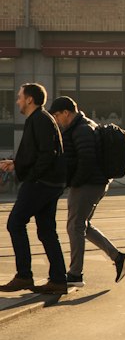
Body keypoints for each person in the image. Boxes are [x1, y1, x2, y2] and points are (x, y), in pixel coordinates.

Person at [48, 96, 125, 287]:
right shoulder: (82, 126)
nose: (56, 120)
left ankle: (76, 274)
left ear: (66, 113)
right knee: (83, 226)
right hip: (94, 182)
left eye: (56, 116)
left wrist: (73, 183)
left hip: (88, 184)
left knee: (75, 226)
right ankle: (119, 257)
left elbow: (86, 161)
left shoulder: (82, 130)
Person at [0, 82, 68, 295]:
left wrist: (32, 177)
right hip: (49, 182)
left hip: (41, 183)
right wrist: (16, 164)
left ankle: (24, 276)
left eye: (20, 97)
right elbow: (36, 152)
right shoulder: (40, 119)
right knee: (47, 231)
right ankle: (58, 280)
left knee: (15, 223)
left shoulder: (39, 119)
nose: (18, 100)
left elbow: (47, 153)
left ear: (30, 99)